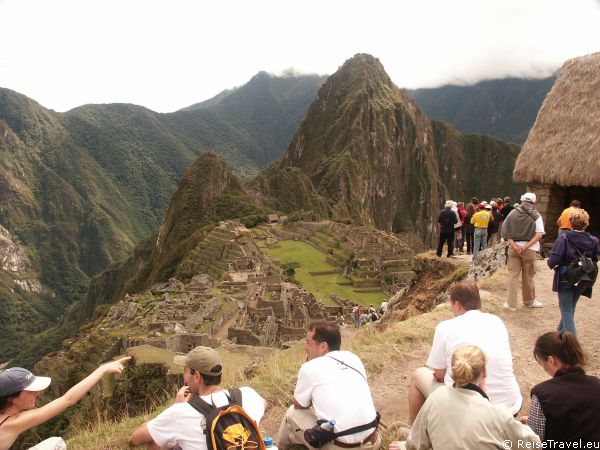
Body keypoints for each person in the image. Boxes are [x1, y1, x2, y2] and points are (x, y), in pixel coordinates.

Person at [407, 282, 521, 423]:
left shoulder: (445, 328)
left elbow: (440, 374)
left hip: (472, 415)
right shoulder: (496, 321)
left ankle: (416, 434)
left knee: (418, 376)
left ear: (457, 304)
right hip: (510, 408)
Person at [392, 346, 539, 450]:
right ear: (485, 372)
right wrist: (526, 429)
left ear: (452, 372)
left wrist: (403, 446)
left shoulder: (435, 398)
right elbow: (534, 445)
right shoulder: (498, 414)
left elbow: (416, 445)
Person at [130, 346, 266, 450]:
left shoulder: (180, 413)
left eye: (185, 371)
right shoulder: (248, 394)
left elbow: (135, 438)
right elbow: (264, 404)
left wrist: (176, 407)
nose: (184, 376)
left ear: (196, 377)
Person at [277, 320, 381, 450]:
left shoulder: (310, 368)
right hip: (373, 442)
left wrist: (307, 366)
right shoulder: (353, 358)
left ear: (323, 346)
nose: (305, 347)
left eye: (308, 342)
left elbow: (300, 405)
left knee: (291, 414)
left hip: (344, 448)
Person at [0, 358, 130, 450]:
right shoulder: (12, 423)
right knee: (57, 443)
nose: (38, 394)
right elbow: (68, 400)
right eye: (30, 391)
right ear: (11, 398)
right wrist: (102, 370)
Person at [522, 332, 600, 443]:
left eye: (541, 363)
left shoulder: (542, 393)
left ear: (551, 360)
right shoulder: (597, 385)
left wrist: (529, 424)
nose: (543, 368)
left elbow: (534, 441)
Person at [546, 208, 598, 335]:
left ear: (570, 222)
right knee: (570, 307)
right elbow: (595, 258)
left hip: (566, 275)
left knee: (566, 309)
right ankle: (560, 334)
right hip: (584, 276)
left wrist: (550, 263)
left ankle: (573, 344)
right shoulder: (593, 240)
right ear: (586, 223)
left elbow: (556, 258)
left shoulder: (564, 237)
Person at [501, 192, 545, 311]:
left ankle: (511, 304)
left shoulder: (512, 213)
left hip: (514, 249)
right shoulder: (536, 216)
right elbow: (539, 235)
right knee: (528, 276)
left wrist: (514, 245)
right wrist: (525, 247)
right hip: (529, 249)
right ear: (534, 202)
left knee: (513, 276)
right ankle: (529, 301)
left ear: (522, 201)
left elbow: (505, 232)